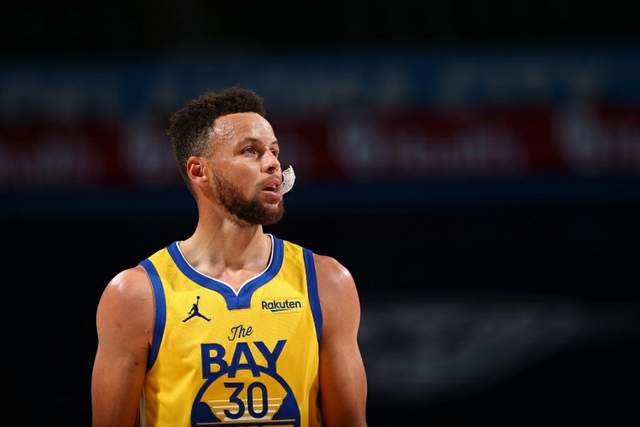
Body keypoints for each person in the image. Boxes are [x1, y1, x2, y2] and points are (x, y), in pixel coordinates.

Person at [91, 87, 367, 427]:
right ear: (199, 171)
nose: (273, 164)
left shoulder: (327, 283)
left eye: (274, 151)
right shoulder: (136, 295)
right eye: (250, 151)